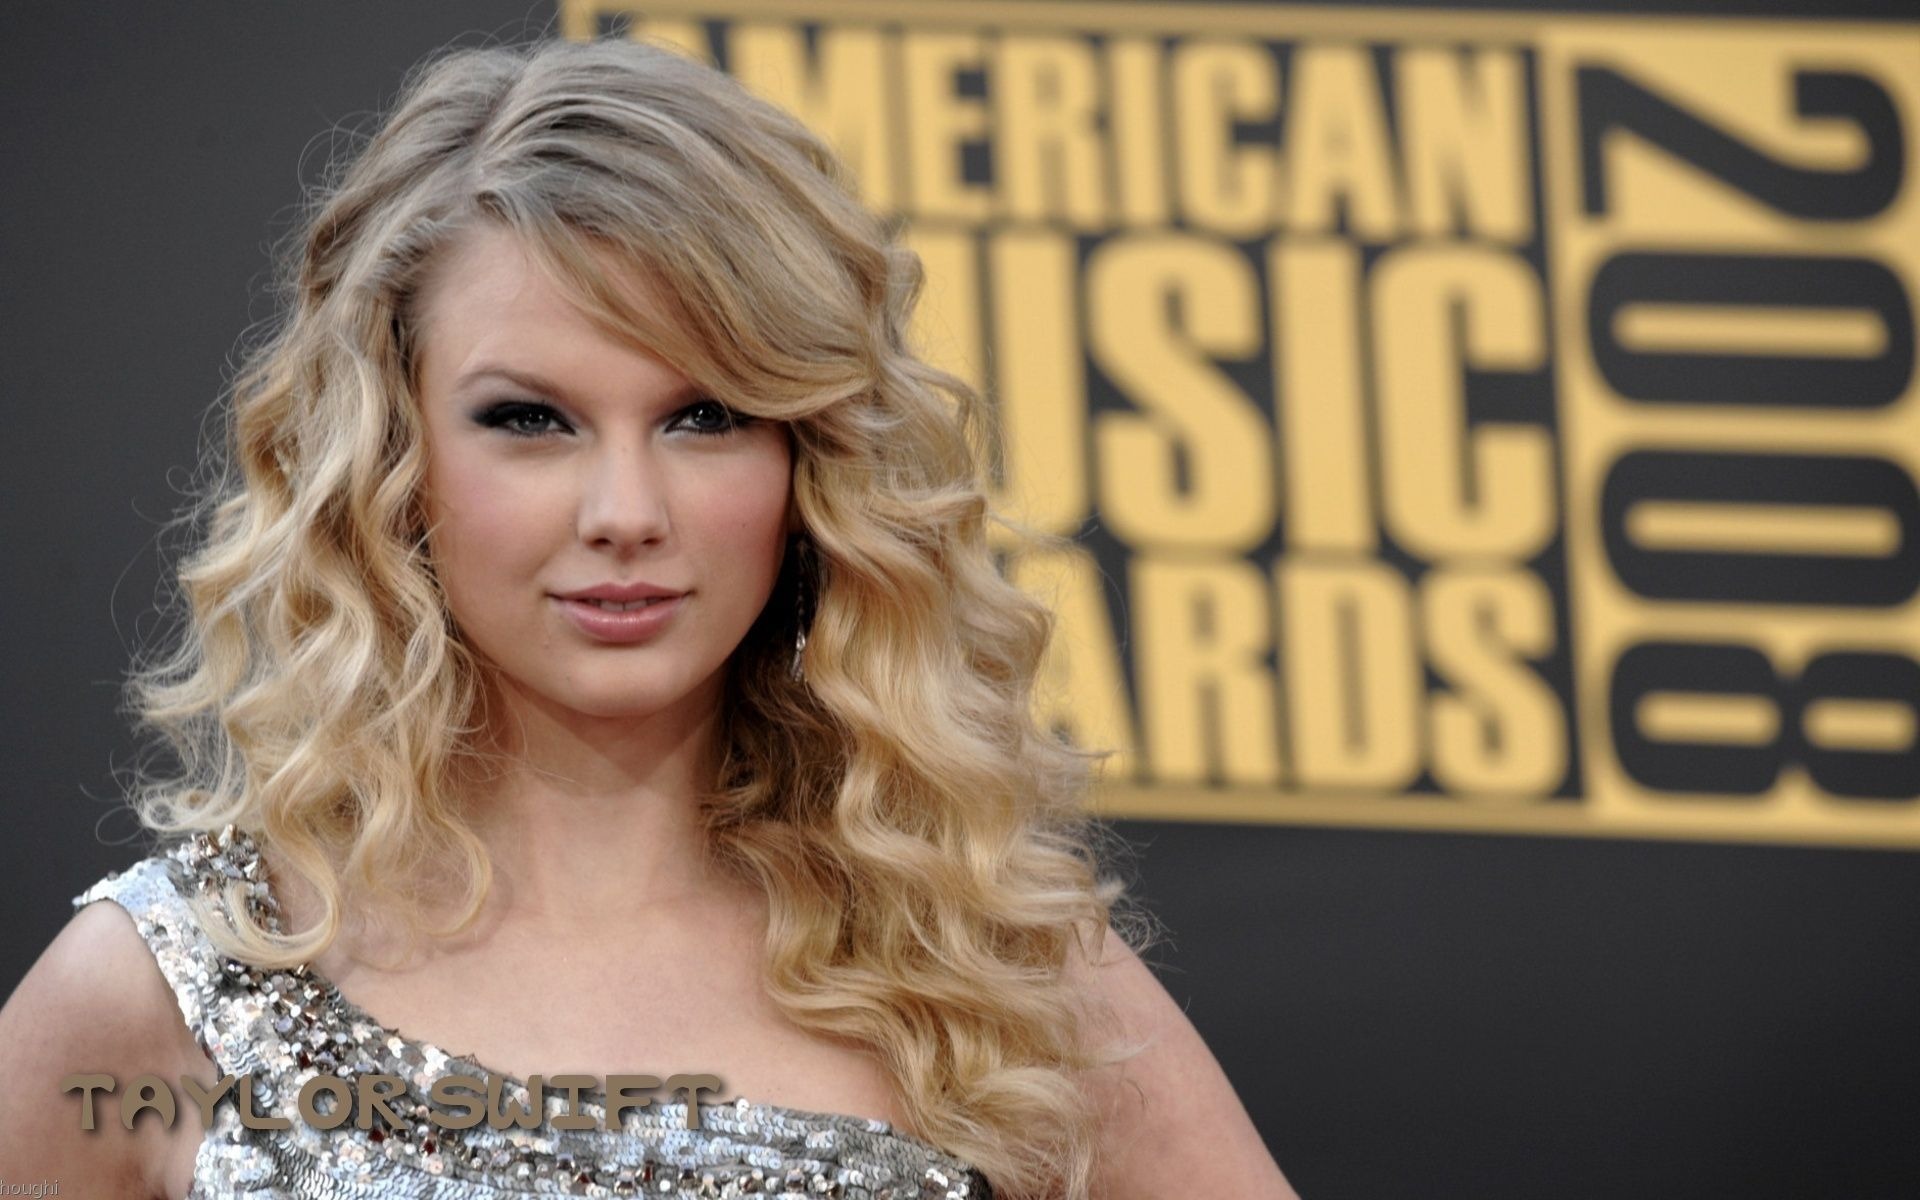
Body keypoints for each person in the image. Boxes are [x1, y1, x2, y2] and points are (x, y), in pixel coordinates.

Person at [0, 36, 1298, 1200]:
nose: (626, 511)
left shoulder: (992, 978)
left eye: (705, 417)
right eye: (530, 420)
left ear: (809, 464)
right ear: (393, 462)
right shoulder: (173, 991)